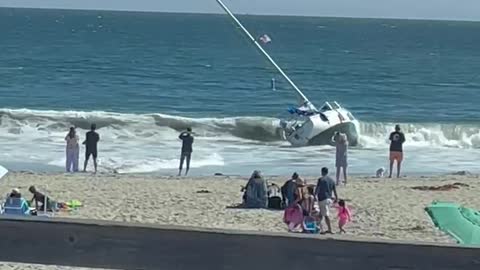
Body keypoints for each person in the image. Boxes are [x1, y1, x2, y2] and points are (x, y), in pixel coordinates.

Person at [315, 167, 338, 234]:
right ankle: (317, 227)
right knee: (321, 214)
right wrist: (336, 198)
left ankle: (330, 229)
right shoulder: (331, 180)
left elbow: (317, 189)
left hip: (323, 198)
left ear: (322, 172)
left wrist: (314, 196)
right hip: (329, 199)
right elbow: (334, 190)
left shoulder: (321, 179)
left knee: (325, 215)